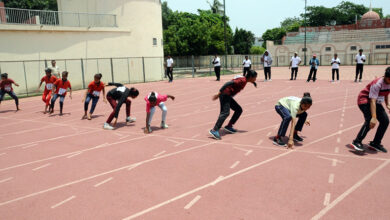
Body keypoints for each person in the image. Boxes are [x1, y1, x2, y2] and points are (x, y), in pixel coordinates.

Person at [209, 70, 258, 140]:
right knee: (225, 113)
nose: (255, 79)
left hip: (228, 95)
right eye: (255, 78)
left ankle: (229, 126)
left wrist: (254, 83)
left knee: (238, 110)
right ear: (250, 77)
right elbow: (228, 83)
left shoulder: (245, 79)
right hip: (225, 94)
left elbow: (245, 79)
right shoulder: (242, 81)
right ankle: (214, 130)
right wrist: (218, 93)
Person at [351, 67, 390, 153]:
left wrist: (387, 104)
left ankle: (375, 143)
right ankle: (357, 141)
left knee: (385, 121)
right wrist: (374, 117)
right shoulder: (377, 84)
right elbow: (372, 100)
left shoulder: (389, 82)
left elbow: (387, 92)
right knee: (370, 120)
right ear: (385, 77)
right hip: (364, 100)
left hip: (375, 101)